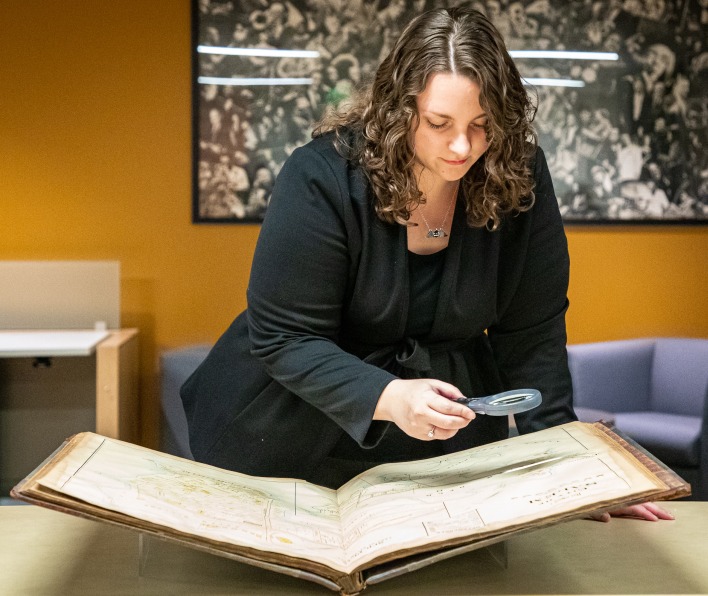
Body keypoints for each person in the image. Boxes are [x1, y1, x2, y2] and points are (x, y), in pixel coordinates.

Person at [181, 6, 670, 522]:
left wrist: (570, 468)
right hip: (290, 429)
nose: (463, 146)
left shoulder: (519, 175)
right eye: (440, 123)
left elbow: (532, 335)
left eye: (483, 126)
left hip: (443, 448)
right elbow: (286, 337)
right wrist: (387, 395)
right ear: (399, 108)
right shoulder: (321, 176)